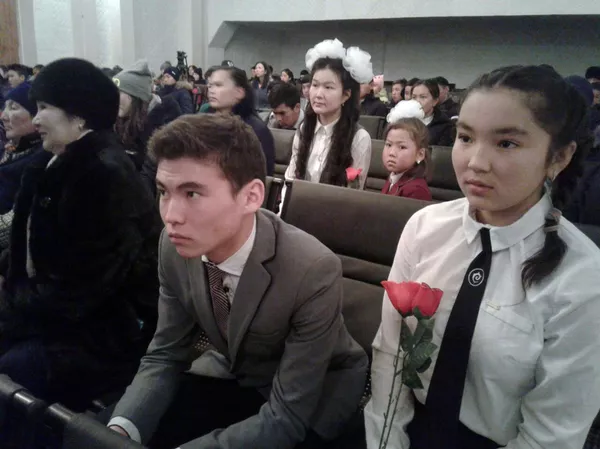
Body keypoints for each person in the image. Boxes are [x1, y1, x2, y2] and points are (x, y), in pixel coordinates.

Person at [365, 65, 600, 449]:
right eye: (466, 138)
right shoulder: (425, 227)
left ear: (558, 157)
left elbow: (551, 434)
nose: (476, 161)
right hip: (406, 428)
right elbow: (390, 352)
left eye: (506, 143)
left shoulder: (582, 276)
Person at [106, 114, 368, 449]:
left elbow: (286, 417)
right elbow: (165, 354)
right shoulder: (174, 247)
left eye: (192, 194)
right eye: (163, 192)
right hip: (235, 369)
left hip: (316, 392)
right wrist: (120, 431)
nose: (170, 215)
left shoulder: (313, 269)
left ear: (251, 197)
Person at [0, 58, 163, 428]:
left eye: (45, 107)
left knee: (12, 373)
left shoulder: (104, 175)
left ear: (79, 116)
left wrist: (10, 304)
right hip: (53, 315)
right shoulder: (53, 162)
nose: (36, 119)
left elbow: (81, 291)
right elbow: (26, 246)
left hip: (102, 334)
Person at [285, 38, 373, 190]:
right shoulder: (305, 128)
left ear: (345, 95)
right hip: (298, 202)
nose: (318, 94)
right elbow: (290, 179)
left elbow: (353, 194)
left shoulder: (359, 138)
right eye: (315, 85)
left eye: (328, 87)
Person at [113, 60, 182, 195]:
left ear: (136, 97)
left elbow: (149, 177)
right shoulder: (120, 121)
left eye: (120, 92)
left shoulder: (162, 128)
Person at [0, 82, 47, 248]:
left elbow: (13, 225)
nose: (4, 116)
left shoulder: (41, 160)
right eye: (5, 107)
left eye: (13, 108)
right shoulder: (12, 148)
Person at [206, 65, 275, 175]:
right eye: (210, 86)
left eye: (218, 85)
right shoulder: (204, 123)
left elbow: (263, 174)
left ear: (239, 92)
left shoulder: (256, 130)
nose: (211, 90)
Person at [380, 100, 432, 200]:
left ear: (420, 154)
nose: (391, 153)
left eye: (402, 147)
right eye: (389, 145)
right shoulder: (393, 177)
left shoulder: (417, 190)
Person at [412, 78, 454, 146]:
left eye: (423, 97)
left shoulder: (445, 126)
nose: (417, 101)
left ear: (435, 101)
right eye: (414, 97)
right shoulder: (404, 121)